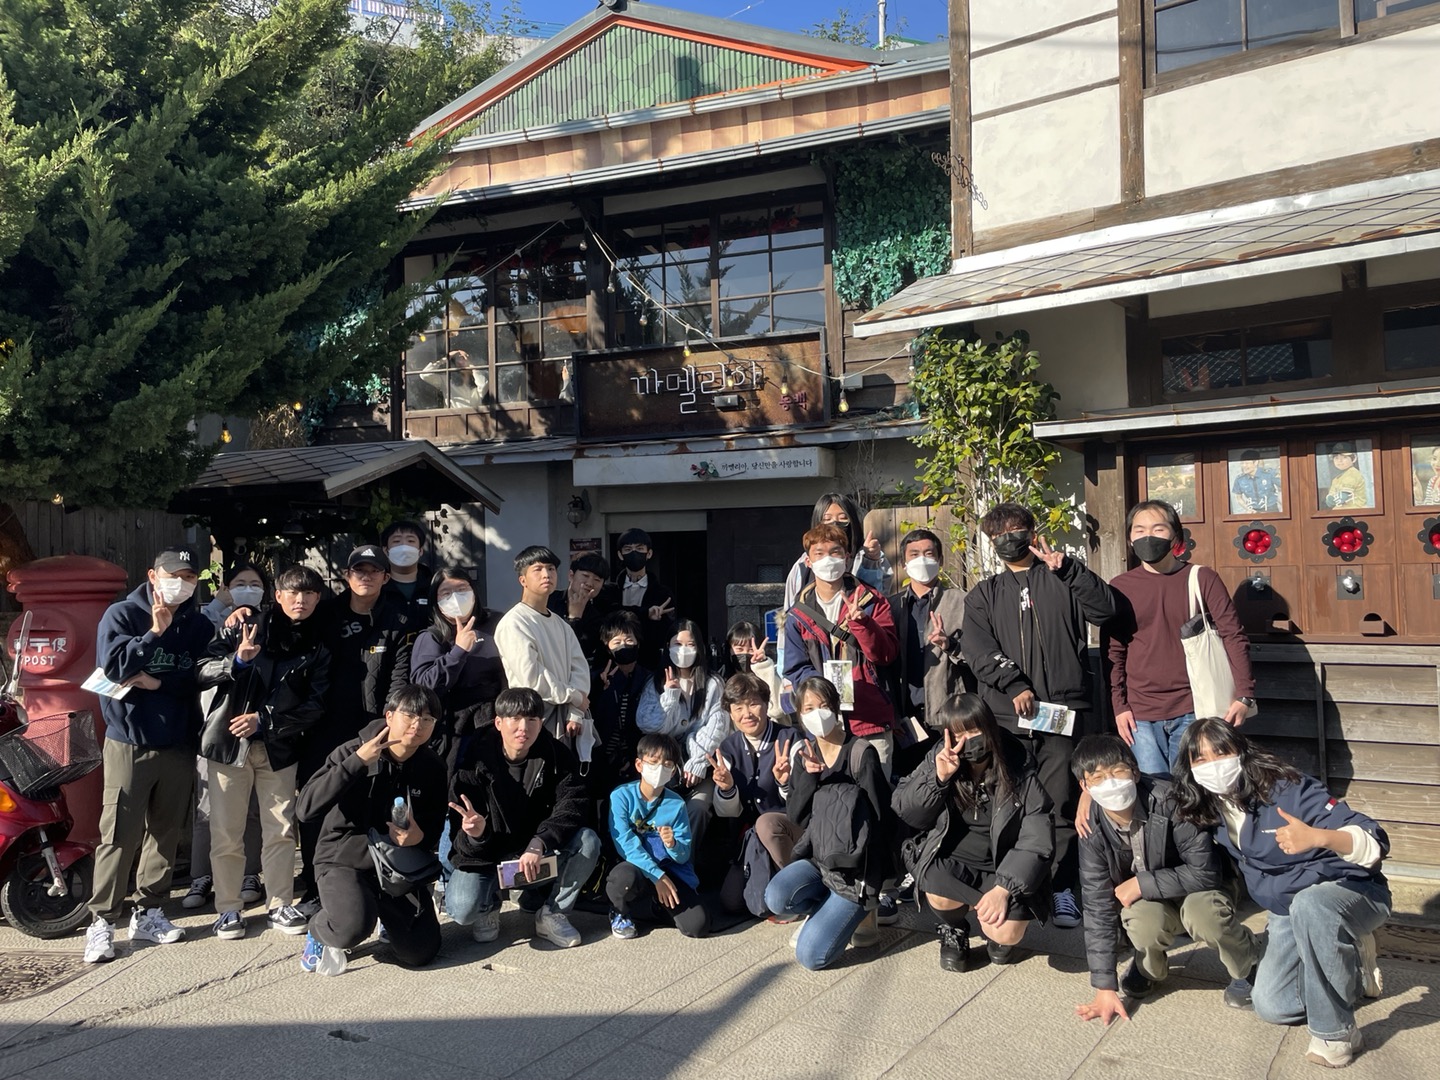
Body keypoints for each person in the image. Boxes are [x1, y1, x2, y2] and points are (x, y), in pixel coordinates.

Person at [1172, 717, 1389, 1069]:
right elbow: (1146, 788)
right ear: (1190, 767)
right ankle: (1348, 961)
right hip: (1286, 908)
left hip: (1348, 892)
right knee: (1272, 1006)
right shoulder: (1208, 804)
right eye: (1201, 758)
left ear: (1240, 752)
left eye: (1221, 753)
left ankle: (1335, 1034)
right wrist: (1090, 792)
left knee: (1311, 904)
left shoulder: (1287, 789)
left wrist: (1318, 837)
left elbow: (1373, 838)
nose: (1213, 765)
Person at [961, 502, 1113, 930]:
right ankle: (1010, 885)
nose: (1008, 538)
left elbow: (1106, 611)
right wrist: (1014, 684)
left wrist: (1070, 570)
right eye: (999, 534)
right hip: (1006, 716)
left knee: (1060, 800)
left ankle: (1062, 887)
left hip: (1062, 712)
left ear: (1032, 532)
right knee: (1008, 800)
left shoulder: (1063, 577)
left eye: (1016, 529)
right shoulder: (983, 594)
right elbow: (977, 649)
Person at [1071, 734, 1258, 1026]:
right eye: (1098, 777)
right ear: (1085, 786)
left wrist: (1141, 883)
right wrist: (1104, 987)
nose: (1111, 783)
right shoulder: (1091, 827)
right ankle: (1149, 970)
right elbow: (1097, 905)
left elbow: (1205, 871)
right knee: (1140, 921)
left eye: (1118, 771)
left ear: (1135, 772)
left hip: (1202, 889)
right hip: (1153, 899)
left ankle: (1248, 965)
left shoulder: (1170, 799)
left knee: (1205, 916)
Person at [84, 546, 215, 963]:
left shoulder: (197, 624)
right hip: (130, 740)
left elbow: (200, 676)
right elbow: (114, 668)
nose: (182, 583)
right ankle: (102, 921)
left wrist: (159, 684)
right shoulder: (122, 614)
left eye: (190, 577)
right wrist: (153, 634)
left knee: (165, 830)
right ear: (153, 575)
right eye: (174, 575)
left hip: (179, 740)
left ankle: (150, 911)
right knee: (118, 833)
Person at [197, 564, 331, 939]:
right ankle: (228, 908)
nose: (301, 600)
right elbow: (201, 670)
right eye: (293, 592)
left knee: (281, 830)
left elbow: (316, 703)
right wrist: (237, 661)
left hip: (279, 746)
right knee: (226, 831)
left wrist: (265, 721)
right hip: (229, 744)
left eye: (309, 593)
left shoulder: (318, 642)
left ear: (318, 598)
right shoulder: (245, 624)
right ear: (278, 595)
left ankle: (280, 904)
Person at [893, 693, 1053, 972]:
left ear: (989, 727)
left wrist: (1003, 890)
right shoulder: (938, 757)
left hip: (1002, 865)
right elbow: (908, 811)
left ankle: (996, 929)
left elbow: (1037, 839)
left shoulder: (1018, 765)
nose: (966, 740)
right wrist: (938, 779)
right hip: (956, 862)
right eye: (957, 734)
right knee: (933, 880)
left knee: (1005, 933)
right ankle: (954, 928)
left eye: (973, 731)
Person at [295, 685, 449, 974]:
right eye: (410, 715)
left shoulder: (432, 767)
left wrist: (420, 836)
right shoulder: (352, 751)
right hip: (344, 860)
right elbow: (306, 809)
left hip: (397, 865)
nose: (417, 725)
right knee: (352, 927)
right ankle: (320, 929)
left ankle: (385, 917)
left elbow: (433, 826)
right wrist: (355, 764)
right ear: (389, 716)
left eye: (427, 719)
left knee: (420, 951)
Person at [298, 545, 414, 911]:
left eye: (373, 570)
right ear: (347, 577)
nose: (366, 576)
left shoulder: (398, 619)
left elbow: (400, 676)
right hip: (324, 729)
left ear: (386, 576)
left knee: (373, 805)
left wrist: (389, 725)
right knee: (319, 806)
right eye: (358, 570)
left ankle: (375, 880)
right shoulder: (325, 614)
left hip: (374, 731)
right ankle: (314, 886)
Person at [1102, 500, 1255, 779]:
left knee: (1192, 789)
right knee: (1155, 790)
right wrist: (1119, 705)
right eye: (1139, 530)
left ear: (1176, 537)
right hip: (1139, 713)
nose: (1148, 536)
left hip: (1194, 707)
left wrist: (1245, 694)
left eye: (1158, 529)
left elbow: (1233, 635)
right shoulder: (1120, 587)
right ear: (1130, 538)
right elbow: (1115, 652)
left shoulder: (1202, 578)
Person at [445, 687, 601, 949]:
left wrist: (541, 841)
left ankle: (552, 912)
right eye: (514, 719)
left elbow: (573, 804)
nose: (523, 728)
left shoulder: (556, 755)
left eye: (531, 719)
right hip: (487, 857)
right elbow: (456, 840)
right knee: (462, 909)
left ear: (541, 722)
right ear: (498, 722)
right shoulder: (471, 764)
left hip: (533, 856)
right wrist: (476, 834)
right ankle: (489, 906)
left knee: (588, 841)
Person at [765, 676, 893, 971]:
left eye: (823, 706)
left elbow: (881, 816)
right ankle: (825, 908)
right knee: (776, 896)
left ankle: (863, 909)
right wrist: (805, 778)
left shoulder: (860, 753)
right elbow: (798, 817)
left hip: (855, 869)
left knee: (811, 956)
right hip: (819, 859)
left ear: (836, 708)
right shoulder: (805, 754)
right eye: (808, 708)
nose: (817, 714)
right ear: (800, 715)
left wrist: (876, 883)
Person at [783, 523, 899, 775]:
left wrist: (863, 624)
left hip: (870, 720)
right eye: (819, 553)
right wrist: (823, 687)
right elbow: (794, 668)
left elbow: (886, 655)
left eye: (835, 552)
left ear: (847, 558)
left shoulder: (872, 601)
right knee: (831, 794)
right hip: (823, 725)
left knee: (876, 792)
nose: (828, 560)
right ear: (808, 562)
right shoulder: (798, 614)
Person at [186, 562, 266, 913]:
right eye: (240, 583)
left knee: (252, 809)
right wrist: (224, 611)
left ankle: (250, 874)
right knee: (206, 808)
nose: (248, 589)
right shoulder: (209, 621)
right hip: (215, 728)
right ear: (226, 588)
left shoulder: (269, 623)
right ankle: (201, 875)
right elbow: (201, 668)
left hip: (255, 728)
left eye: (255, 584)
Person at [606, 732, 711, 940]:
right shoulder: (621, 796)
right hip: (637, 867)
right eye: (653, 762)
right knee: (623, 878)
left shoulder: (677, 803)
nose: (660, 768)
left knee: (698, 926)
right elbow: (625, 843)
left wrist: (672, 844)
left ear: (673, 772)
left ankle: (655, 906)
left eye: (667, 764)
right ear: (639, 765)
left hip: (668, 869)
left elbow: (683, 855)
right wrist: (657, 876)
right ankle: (619, 912)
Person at [494, 546, 593, 764]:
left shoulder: (561, 624)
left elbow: (579, 669)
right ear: (523, 580)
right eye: (537, 569)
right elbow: (531, 678)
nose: (546, 574)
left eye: (551, 569)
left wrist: (575, 711)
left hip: (566, 722)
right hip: (529, 719)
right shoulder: (514, 623)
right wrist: (574, 697)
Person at [711, 673, 799, 915]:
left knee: (766, 823)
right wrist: (727, 788)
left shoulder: (790, 739)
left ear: (766, 705)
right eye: (738, 708)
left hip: (790, 831)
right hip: (751, 838)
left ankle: (797, 889)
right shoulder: (728, 747)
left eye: (753, 704)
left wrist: (784, 782)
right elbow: (727, 812)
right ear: (730, 713)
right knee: (732, 902)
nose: (746, 714)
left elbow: (804, 803)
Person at [635, 619, 730, 841]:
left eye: (690, 644)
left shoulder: (713, 683)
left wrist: (697, 761)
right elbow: (648, 725)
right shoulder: (655, 683)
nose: (683, 650)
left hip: (701, 767)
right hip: (663, 765)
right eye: (677, 644)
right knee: (660, 810)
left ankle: (685, 858)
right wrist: (669, 697)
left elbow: (718, 725)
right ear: (667, 647)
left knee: (698, 808)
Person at [410, 566, 507, 774]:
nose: (455, 598)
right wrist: (458, 651)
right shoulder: (432, 637)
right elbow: (424, 688)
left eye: (462, 589)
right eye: (446, 593)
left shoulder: (498, 623)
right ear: (436, 600)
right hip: (454, 730)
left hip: (499, 723)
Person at [887, 527, 971, 748]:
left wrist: (950, 645)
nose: (922, 560)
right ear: (903, 563)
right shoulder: (892, 607)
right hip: (906, 717)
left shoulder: (963, 602)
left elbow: (978, 655)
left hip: (950, 713)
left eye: (929, 553)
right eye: (914, 554)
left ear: (940, 560)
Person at [782, 492, 892, 612]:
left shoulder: (868, 556)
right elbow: (790, 609)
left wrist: (870, 561)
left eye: (843, 518)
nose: (835, 524)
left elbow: (880, 602)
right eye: (827, 519)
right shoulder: (802, 566)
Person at [590, 610, 652, 799]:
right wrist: (602, 689)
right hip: (601, 760)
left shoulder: (648, 679)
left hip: (638, 760)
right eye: (616, 642)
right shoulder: (596, 679)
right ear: (607, 647)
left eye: (629, 640)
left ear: (638, 643)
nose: (623, 646)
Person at [611, 528, 675, 669]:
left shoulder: (662, 594)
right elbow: (610, 615)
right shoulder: (610, 591)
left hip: (650, 663)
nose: (634, 553)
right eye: (628, 549)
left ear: (649, 553)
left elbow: (669, 631)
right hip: (614, 661)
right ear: (620, 555)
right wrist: (646, 613)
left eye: (640, 549)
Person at [548, 552, 614, 667]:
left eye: (597, 580)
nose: (590, 583)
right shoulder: (548, 600)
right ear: (571, 575)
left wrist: (575, 618)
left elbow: (576, 652)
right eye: (585, 576)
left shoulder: (599, 617)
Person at [716, 620, 785, 722]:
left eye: (751, 650)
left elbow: (776, 711)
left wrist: (763, 667)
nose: (745, 653)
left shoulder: (772, 674)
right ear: (729, 650)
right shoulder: (720, 679)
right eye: (739, 649)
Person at [380, 519, 433, 635]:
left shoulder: (434, 586)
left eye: (410, 541)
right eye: (396, 541)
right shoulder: (376, 587)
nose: (404, 547)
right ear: (386, 550)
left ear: (420, 551)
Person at [1324, 443, 1369, 509]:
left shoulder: (1353, 473)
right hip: (1341, 511)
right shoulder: (1336, 479)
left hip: (1356, 510)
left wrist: (1334, 499)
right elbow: (1329, 501)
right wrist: (1329, 499)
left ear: (1353, 459)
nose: (1340, 461)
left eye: (1344, 457)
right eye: (1336, 458)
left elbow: (1343, 496)